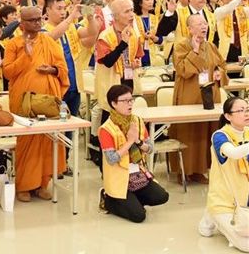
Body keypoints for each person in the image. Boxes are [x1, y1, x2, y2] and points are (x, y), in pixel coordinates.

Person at [3, 6, 69, 202]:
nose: (37, 23)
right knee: (27, 141)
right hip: (23, 101)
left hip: (47, 101)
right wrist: (26, 55)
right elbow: (8, 72)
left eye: (39, 19)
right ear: (22, 24)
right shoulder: (13, 44)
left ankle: (42, 184)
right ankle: (24, 186)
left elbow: (62, 67)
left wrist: (52, 70)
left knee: (47, 140)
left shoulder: (48, 41)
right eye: (32, 20)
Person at [171, 14, 229, 184]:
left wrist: (219, 73)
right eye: (199, 24)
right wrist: (195, 51)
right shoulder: (182, 46)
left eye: (205, 23)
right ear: (189, 29)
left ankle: (202, 169)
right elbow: (182, 70)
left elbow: (222, 65)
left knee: (207, 132)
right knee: (189, 132)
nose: (204, 26)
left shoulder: (210, 46)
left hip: (209, 95)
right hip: (189, 95)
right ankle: (184, 170)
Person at [99, 84, 168, 223]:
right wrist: (130, 141)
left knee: (162, 196)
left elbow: (150, 149)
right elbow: (111, 159)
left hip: (138, 173)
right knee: (138, 216)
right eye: (125, 101)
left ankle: (131, 201)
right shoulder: (106, 129)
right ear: (113, 104)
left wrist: (138, 141)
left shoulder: (137, 121)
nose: (130, 104)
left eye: (131, 100)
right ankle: (108, 199)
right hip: (119, 177)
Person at [198, 97, 249, 252]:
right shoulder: (219, 136)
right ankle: (214, 214)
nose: (246, 113)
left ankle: (210, 215)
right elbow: (234, 153)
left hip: (244, 199)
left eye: (247, 109)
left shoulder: (247, 132)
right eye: (241, 110)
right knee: (246, 245)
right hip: (225, 202)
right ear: (228, 116)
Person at [43, 0, 98, 117]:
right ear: (48, 10)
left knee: (73, 121)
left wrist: (90, 18)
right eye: (59, 9)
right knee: (58, 122)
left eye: (64, 8)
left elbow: (91, 32)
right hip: (56, 86)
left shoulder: (71, 27)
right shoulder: (43, 30)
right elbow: (52, 36)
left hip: (75, 85)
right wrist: (72, 16)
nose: (63, 12)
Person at [94, 0, 144, 124]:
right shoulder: (105, 36)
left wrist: (136, 63)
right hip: (112, 84)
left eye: (132, 10)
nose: (131, 15)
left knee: (128, 120)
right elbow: (108, 62)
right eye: (126, 12)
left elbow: (137, 56)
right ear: (115, 16)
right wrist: (123, 44)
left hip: (128, 80)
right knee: (110, 121)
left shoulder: (133, 34)